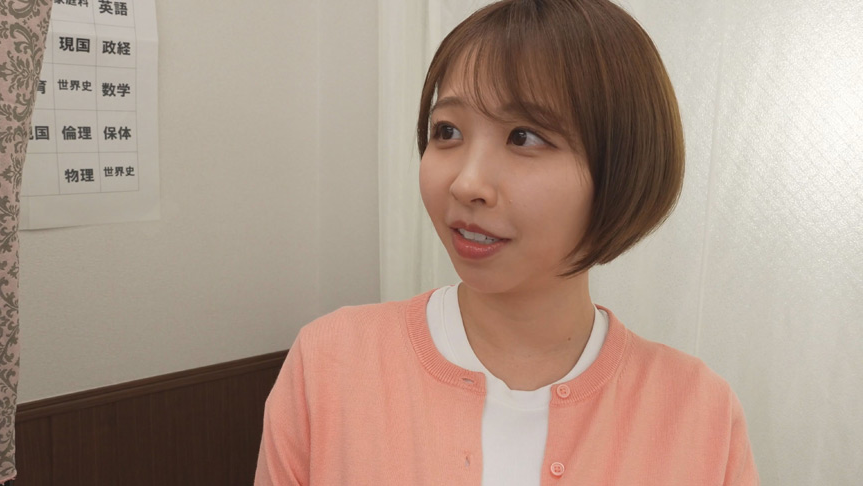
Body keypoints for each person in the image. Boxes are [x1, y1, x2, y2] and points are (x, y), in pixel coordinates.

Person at [255, 0, 759, 484]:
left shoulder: (702, 414)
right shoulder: (330, 364)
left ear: (624, 168)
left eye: (523, 137)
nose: (466, 183)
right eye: (447, 130)